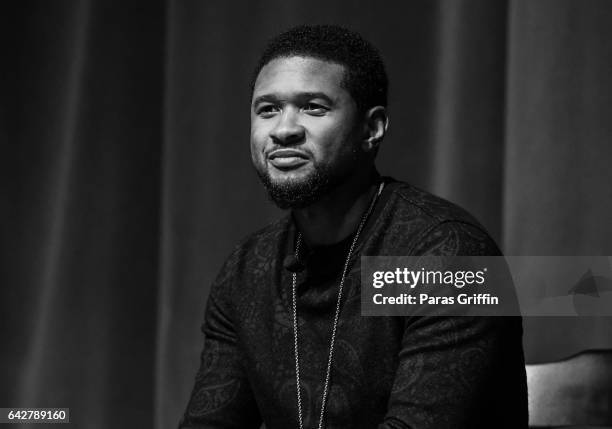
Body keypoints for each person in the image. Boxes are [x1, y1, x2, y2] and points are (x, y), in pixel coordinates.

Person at [179, 24, 527, 429]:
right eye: (268, 109)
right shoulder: (246, 270)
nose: (284, 129)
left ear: (372, 128)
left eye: (313, 107)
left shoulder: (449, 253)